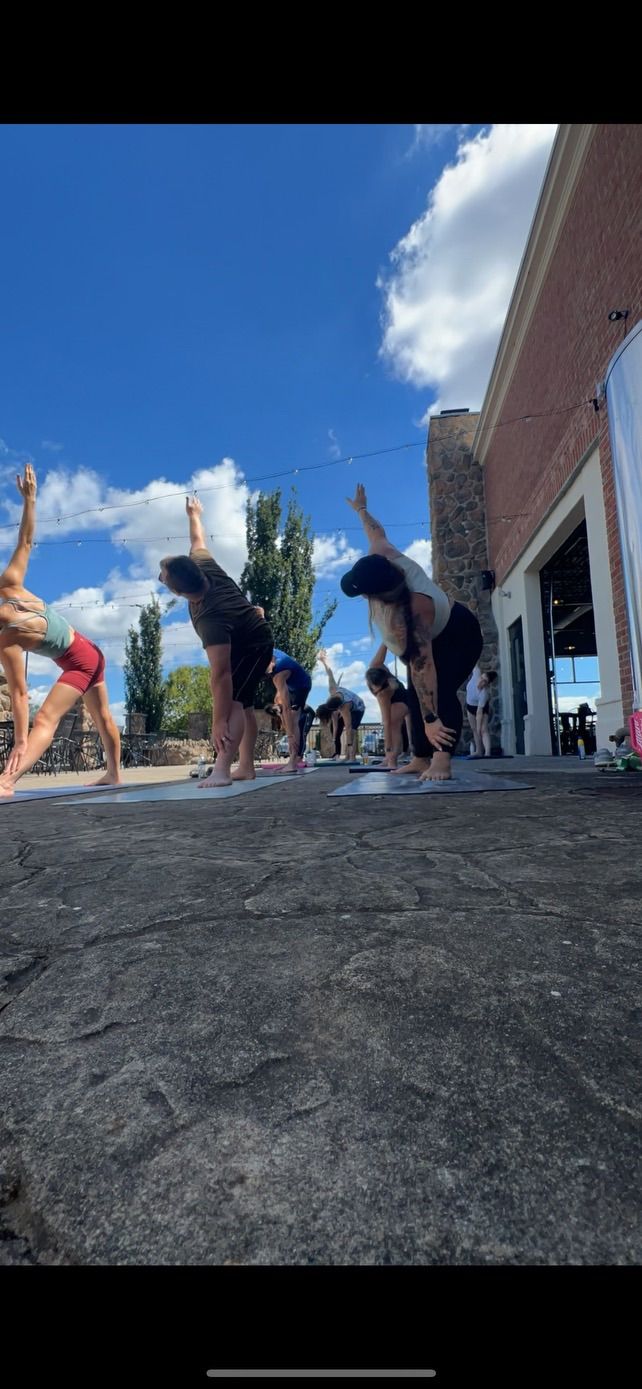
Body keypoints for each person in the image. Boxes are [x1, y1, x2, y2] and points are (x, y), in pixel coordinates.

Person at [340, 484, 483, 782]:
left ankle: (442, 760)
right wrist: (361, 509)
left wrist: (431, 719)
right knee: (417, 692)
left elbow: (424, 667)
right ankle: (420, 758)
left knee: (437, 691)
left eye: (365, 595)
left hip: (459, 634)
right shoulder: (382, 553)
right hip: (428, 639)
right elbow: (375, 532)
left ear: (377, 593)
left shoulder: (414, 609)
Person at [0, 465, 122, 797]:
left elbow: (21, 695)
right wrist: (30, 499)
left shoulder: (7, 634)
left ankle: (6, 782)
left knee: (46, 721)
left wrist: (23, 739)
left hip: (82, 660)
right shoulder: (10, 588)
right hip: (88, 651)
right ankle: (113, 775)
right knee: (103, 717)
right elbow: (25, 540)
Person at [159, 496, 273, 786]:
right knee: (244, 706)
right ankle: (245, 767)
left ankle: (222, 769)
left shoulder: (211, 618)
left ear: (177, 591)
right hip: (244, 635)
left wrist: (217, 720)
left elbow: (220, 676)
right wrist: (193, 513)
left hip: (255, 643)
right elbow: (198, 539)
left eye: (163, 578)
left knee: (232, 704)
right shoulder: (202, 563)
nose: (160, 577)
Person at [365, 643, 412, 769]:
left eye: (378, 690)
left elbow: (386, 723)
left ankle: (392, 759)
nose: (376, 692)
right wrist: (388, 636)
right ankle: (390, 758)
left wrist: (389, 749)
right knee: (393, 725)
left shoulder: (384, 694)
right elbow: (385, 643)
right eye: (375, 690)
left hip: (403, 699)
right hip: (401, 695)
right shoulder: (375, 665)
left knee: (392, 725)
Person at [267, 647, 313, 773]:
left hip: (302, 685)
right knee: (279, 702)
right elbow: (282, 709)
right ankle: (290, 761)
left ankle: (293, 762)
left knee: (293, 719)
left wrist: (290, 735)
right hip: (290, 684)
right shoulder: (268, 650)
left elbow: (286, 708)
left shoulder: (278, 674)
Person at [317, 649, 365, 761]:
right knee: (349, 731)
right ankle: (348, 755)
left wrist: (349, 745)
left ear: (339, 708)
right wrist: (323, 660)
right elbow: (330, 672)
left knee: (352, 731)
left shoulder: (345, 707)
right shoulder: (333, 690)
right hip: (348, 702)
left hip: (358, 708)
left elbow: (348, 727)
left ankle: (351, 756)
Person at [465, 666, 497, 757]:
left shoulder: (484, 694)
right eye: (482, 678)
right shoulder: (476, 674)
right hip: (470, 706)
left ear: (487, 684)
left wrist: (479, 727)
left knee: (483, 730)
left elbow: (479, 713)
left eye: (484, 681)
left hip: (481, 709)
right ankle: (479, 751)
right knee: (474, 729)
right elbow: (474, 663)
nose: (481, 681)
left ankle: (487, 752)